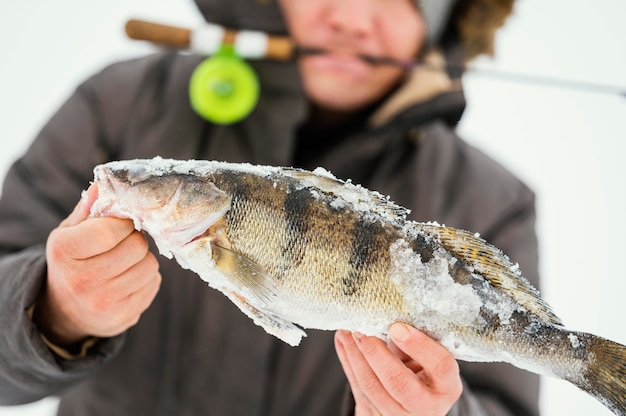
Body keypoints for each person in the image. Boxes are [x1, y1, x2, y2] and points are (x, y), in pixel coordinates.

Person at [0, 0, 540, 414]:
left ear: (445, 17)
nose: (352, 17)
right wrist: (53, 310)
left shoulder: (491, 202)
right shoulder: (120, 105)